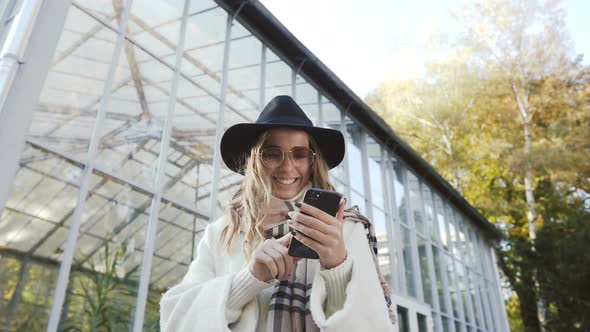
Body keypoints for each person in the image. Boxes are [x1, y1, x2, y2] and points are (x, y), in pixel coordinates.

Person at [160, 95, 395, 331]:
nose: (286, 166)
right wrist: (249, 279)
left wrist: (338, 266)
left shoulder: (346, 227)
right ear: (255, 161)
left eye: (300, 154)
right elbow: (176, 319)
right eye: (272, 153)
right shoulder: (222, 233)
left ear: (313, 162)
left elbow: (377, 324)